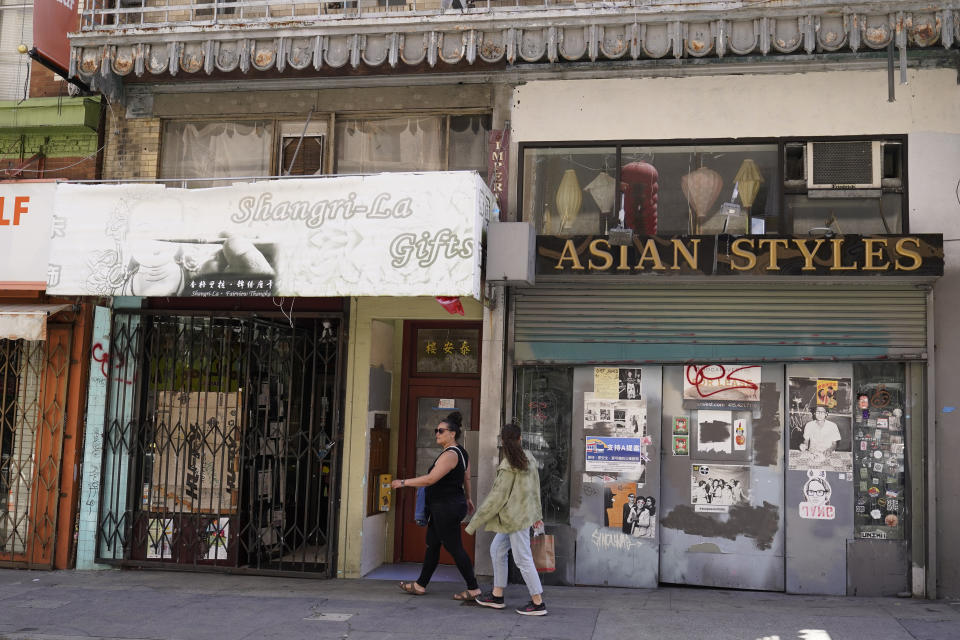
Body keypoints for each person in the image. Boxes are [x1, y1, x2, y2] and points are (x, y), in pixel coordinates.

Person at [391, 411, 480, 601]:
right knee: (433, 544)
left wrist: (404, 482)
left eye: (440, 431)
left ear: (452, 433)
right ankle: (420, 585)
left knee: (455, 547)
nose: (436, 434)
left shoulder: (450, 455)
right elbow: (466, 478)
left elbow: (431, 479)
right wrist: (468, 498)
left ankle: (473, 589)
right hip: (448, 505)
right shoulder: (462, 453)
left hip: (445, 507)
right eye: (436, 431)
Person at [466, 423, 548, 616]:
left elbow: (496, 498)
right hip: (520, 517)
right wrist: (537, 515)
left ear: (502, 441)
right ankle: (497, 595)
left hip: (514, 520)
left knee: (522, 558)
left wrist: (474, 523)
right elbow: (535, 491)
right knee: (497, 550)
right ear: (520, 439)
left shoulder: (508, 465)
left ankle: (538, 603)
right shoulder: (529, 459)